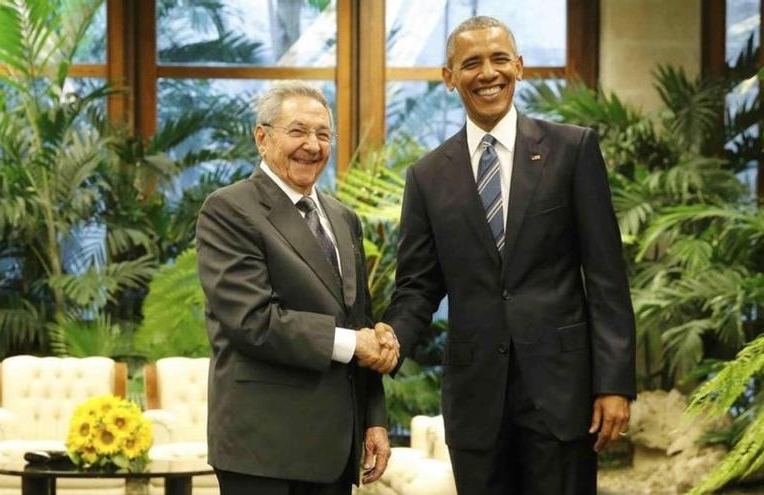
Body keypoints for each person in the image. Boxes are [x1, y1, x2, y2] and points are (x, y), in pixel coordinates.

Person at [381, 16, 636, 494]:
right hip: (477, 402)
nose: (488, 73)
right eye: (471, 63)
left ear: (519, 67)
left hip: (562, 395)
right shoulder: (427, 176)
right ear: (449, 76)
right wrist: (391, 337)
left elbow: (605, 276)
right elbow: (418, 286)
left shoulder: (572, 149)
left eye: (499, 59)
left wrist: (614, 383)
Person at [196, 80, 399, 495]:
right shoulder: (230, 209)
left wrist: (375, 418)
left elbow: (360, 321)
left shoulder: (344, 219)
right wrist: (352, 344)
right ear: (261, 137)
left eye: (323, 134)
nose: (312, 145)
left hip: (335, 450)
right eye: (298, 131)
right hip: (264, 450)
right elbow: (253, 321)